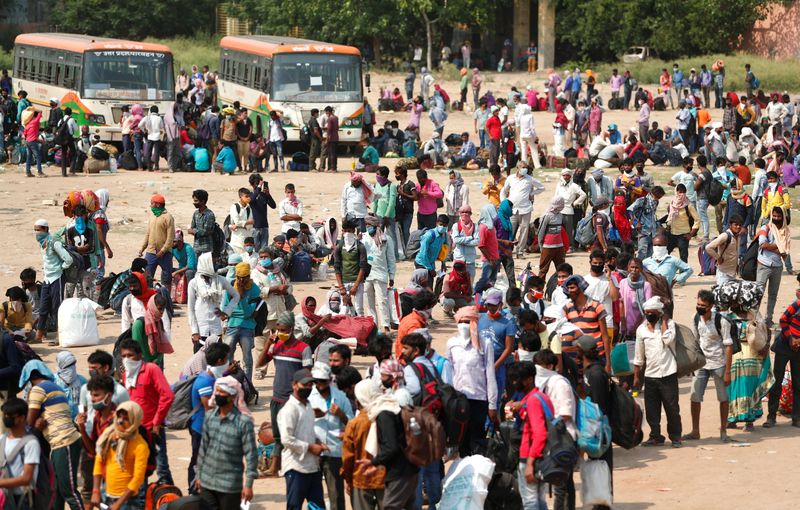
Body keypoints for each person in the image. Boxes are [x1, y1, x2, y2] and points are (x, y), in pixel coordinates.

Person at [20, 360, 84, 509]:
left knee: (69, 491)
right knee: (57, 490)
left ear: (29, 377)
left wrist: (33, 424)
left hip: (64, 442)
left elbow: (29, 423)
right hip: (63, 442)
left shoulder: (37, 390)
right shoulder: (55, 387)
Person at [259, 312, 313, 477]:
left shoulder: (303, 349)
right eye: (278, 329)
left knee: (293, 434)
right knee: (278, 436)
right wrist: (268, 343)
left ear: (291, 329)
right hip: (277, 397)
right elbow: (259, 363)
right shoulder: (277, 346)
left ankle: (294, 466)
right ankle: (275, 468)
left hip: (293, 400)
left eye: (283, 329)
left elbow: (307, 375)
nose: (280, 332)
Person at [195, 376, 257, 509]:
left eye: (222, 392)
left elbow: (251, 456)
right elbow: (203, 449)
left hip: (230, 486)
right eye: (216, 392)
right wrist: (199, 475)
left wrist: (248, 485)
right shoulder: (210, 417)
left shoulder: (244, 423)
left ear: (232, 396)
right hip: (207, 482)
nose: (218, 395)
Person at [118, 338, 174, 485]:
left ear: (139, 355)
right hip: (134, 429)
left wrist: (157, 422)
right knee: (139, 470)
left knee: (161, 468)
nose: (127, 359)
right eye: (124, 356)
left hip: (153, 428)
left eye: (130, 355)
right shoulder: (126, 375)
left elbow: (167, 395)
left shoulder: (151, 369)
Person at [684, 290, 734, 442]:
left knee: (723, 398)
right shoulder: (695, 318)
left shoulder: (721, 321)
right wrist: (691, 364)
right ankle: (695, 431)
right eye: (698, 304)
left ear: (711, 306)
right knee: (695, 397)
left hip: (718, 363)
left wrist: (727, 371)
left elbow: (728, 346)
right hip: (701, 363)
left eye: (703, 305)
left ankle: (723, 431)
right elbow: (694, 342)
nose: (699, 307)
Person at [633, 296, 682, 448]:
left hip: (668, 373)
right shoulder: (641, 330)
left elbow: (668, 340)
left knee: (672, 408)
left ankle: (675, 437)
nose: (649, 315)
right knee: (652, 409)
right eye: (646, 312)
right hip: (650, 375)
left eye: (652, 312)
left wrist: (665, 322)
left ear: (659, 313)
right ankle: (655, 436)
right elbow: (639, 355)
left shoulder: (670, 325)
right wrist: (636, 376)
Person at [448, 306, 497, 456]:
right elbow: (450, 373)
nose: (464, 325)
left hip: (478, 399)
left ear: (474, 322)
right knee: (461, 441)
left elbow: (490, 374)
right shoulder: (452, 344)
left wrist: (492, 404)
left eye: (467, 321)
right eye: (461, 321)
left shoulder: (484, 344)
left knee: (477, 442)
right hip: (459, 400)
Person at [278, 368, 327, 510]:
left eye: (310, 385)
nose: (308, 388)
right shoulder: (289, 409)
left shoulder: (308, 406)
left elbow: (308, 431)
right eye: (304, 385)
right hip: (296, 466)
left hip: (312, 466)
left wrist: (318, 442)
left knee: (317, 506)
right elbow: (286, 439)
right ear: (294, 385)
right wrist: (310, 447)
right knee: (294, 506)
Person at [575, 335, 614, 510]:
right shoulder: (590, 370)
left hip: (599, 428)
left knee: (602, 465)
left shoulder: (596, 374)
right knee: (595, 466)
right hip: (593, 427)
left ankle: (604, 503)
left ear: (582, 352)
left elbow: (600, 406)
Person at [308, 363, 353, 510]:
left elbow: (353, 425)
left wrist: (341, 415)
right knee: (313, 493)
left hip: (334, 451)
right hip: (313, 450)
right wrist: (311, 414)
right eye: (316, 381)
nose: (319, 385)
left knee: (336, 494)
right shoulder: (308, 396)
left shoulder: (340, 397)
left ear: (328, 380)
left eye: (322, 381)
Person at [511, 360, 554, 510]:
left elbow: (540, 433)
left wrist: (530, 463)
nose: (515, 382)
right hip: (540, 456)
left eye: (518, 379)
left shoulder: (533, 401)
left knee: (530, 502)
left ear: (529, 379)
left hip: (530, 456)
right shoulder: (542, 397)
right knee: (539, 499)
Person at [91, 401, 149, 510]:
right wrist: (96, 491)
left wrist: (119, 503)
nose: (120, 421)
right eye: (119, 416)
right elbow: (99, 461)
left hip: (128, 501)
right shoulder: (109, 436)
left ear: (134, 421)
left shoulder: (140, 446)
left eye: (126, 419)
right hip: (107, 494)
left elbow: (138, 478)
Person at [341, 379, 386, 510]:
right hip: (385, 478)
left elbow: (348, 456)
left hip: (361, 479)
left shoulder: (354, 424)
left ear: (358, 400)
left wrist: (348, 479)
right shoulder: (387, 417)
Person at [33, 219, 72, 344]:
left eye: (38, 230)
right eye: (35, 230)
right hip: (47, 279)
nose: (37, 233)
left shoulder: (54, 243)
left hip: (57, 278)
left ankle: (60, 336)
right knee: (43, 308)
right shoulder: (42, 243)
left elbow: (68, 259)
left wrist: (61, 268)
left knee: (57, 308)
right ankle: (38, 336)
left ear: (45, 229)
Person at [767, 286, 800, 428]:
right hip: (784, 346)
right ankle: (771, 416)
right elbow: (783, 320)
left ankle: (797, 418)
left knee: (798, 384)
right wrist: (791, 338)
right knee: (777, 381)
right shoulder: (797, 304)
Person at [479, 289, 517, 410]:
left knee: (495, 397)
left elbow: (508, 348)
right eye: (489, 304)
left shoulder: (508, 323)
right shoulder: (480, 318)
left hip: (498, 364)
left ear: (500, 304)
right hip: (480, 363)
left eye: (494, 305)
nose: (491, 308)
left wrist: (494, 366)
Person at [222, 262, 261, 379]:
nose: (243, 281)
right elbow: (225, 308)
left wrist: (242, 297)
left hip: (247, 326)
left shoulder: (254, 290)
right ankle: (228, 381)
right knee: (227, 356)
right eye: (240, 278)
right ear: (237, 277)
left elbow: (249, 313)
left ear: (249, 276)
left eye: (245, 277)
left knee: (247, 358)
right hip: (232, 324)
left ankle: (248, 383)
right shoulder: (230, 287)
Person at [501, 163, 545, 257]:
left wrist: (532, 193)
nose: (524, 169)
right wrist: (504, 203)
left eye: (526, 168)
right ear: (517, 168)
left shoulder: (529, 179)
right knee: (510, 230)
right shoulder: (510, 178)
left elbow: (541, 187)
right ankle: (508, 250)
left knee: (524, 231)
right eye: (523, 167)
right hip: (512, 209)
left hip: (525, 209)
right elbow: (504, 191)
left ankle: (520, 251)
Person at [756, 206, 789, 326]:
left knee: (773, 295)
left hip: (777, 266)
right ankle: (755, 319)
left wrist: (775, 247)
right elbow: (762, 245)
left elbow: (785, 252)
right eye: (774, 216)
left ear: (782, 217)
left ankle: (768, 320)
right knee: (758, 293)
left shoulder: (785, 231)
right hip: (763, 264)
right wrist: (779, 247)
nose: (776, 218)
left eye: (778, 216)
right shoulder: (766, 227)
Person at [362, 215, 396, 333]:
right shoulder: (363, 238)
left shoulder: (386, 239)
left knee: (382, 301)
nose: (367, 227)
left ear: (375, 226)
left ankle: (385, 325)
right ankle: (374, 326)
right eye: (366, 225)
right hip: (366, 275)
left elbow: (391, 259)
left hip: (381, 274)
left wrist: (391, 276)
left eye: (369, 225)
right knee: (368, 302)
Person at [333, 219, 369, 316]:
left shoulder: (360, 247)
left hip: (357, 282)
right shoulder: (339, 247)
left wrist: (356, 286)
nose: (348, 233)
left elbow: (363, 267)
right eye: (345, 231)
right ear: (343, 231)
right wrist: (341, 287)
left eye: (350, 231)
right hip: (344, 282)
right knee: (344, 310)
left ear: (354, 231)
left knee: (359, 309)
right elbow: (336, 267)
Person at [138, 194, 175, 287]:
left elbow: (171, 237)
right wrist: (142, 248)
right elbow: (148, 234)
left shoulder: (168, 217)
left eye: (152, 203)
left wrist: (163, 251)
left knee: (167, 279)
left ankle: (166, 299)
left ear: (158, 205)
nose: (150, 205)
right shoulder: (152, 217)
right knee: (147, 277)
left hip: (165, 253)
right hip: (151, 252)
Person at [619, 257, 652, 341]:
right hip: (625, 323)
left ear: (641, 269)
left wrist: (637, 327)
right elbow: (621, 303)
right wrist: (623, 323)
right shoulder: (623, 283)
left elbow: (646, 308)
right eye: (632, 267)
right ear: (628, 268)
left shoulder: (646, 285)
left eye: (637, 268)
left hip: (641, 323)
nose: (634, 270)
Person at [665, 183, 699, 263]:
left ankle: (683, 272)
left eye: (683, 192)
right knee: (666, 253)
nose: (681, 194)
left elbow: (697, 220)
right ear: (676, 192)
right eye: (679, 192)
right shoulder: (672, 203)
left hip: (683, 235)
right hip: (672, 233)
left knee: (683, 257)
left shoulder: (688, 205)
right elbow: (669, 217)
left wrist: (691, 234)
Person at [628, 185, 665, 259]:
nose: (659, 198)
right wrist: (636, 222)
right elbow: (630, 210)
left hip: (653, 231)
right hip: (643, 231)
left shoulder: (655, 202)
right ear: (653, 194)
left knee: (651, 253)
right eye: (658, 196)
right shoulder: (642, 201)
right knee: (642, 252)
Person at [555, 168, 587, 252]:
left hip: (569, 209)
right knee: (559, 229)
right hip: (559, 209)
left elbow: (583, 195)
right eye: (564, 175)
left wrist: (575, 203)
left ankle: (570, 246)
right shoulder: (559, 184)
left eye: (568, 175)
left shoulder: (574, 186)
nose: (566, 177)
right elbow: (555, 196)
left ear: (570, 176)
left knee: (569, 230)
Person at [705, 215, 744, 284]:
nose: (738, 227)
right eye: (736, 224)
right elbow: (708, 248)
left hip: (732, 274)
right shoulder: (725, 236)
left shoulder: (738, 237)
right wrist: (718, 258)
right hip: (723, 274)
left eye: (740, 225)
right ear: (730, 225)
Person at [414, 215, 450, 281]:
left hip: (431, 263)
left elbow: (444, 250)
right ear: (437, 223)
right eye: (441, 225)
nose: (443, 227)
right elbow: (423, 253)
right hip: (421, 263)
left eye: (445, 226)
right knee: (424, 286)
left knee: (429, 284)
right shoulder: (429, 235)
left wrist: (443, 263)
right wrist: (430, 269)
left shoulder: (444, 235)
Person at [537, 197, 566, 279]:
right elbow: (540, 232)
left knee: (561, 269)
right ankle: (539, 288)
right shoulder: (546, 216)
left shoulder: (560, 215)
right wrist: (541, 246)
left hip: (559, 246)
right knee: (543, 269)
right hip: (548, 246)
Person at [372, 166, 399, 254]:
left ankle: (395, 254)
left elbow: (392, 203)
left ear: (384, 176)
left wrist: (387, 215)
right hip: (379, 215)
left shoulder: (391, 186)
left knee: (392, 236)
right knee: (379, 235)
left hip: (389, 216)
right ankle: (380, 253)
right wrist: (374, 212)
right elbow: (375, 200)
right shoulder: (377, 185)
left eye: (378, 174)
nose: (376, 176)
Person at [188, 189, 216, 258]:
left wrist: (193, 231)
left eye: (196, 201)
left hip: (206, 248)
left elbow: (206, 231)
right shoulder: (196, 213)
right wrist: (193, 230)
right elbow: (192, 226)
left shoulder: (209, 214)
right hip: (196, 247)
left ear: (203, 201)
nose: (194, 203)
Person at [325, 106, 339, 172]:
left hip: (331, 138)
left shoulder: (330, 119)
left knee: (331, 154)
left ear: (328, 112)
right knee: (335, 153)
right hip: (336, 137)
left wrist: (327, 139)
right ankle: (335, 168)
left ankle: (331, 168)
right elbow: (337, 128)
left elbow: (329, 130)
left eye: (326, 113)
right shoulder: (336, 118)